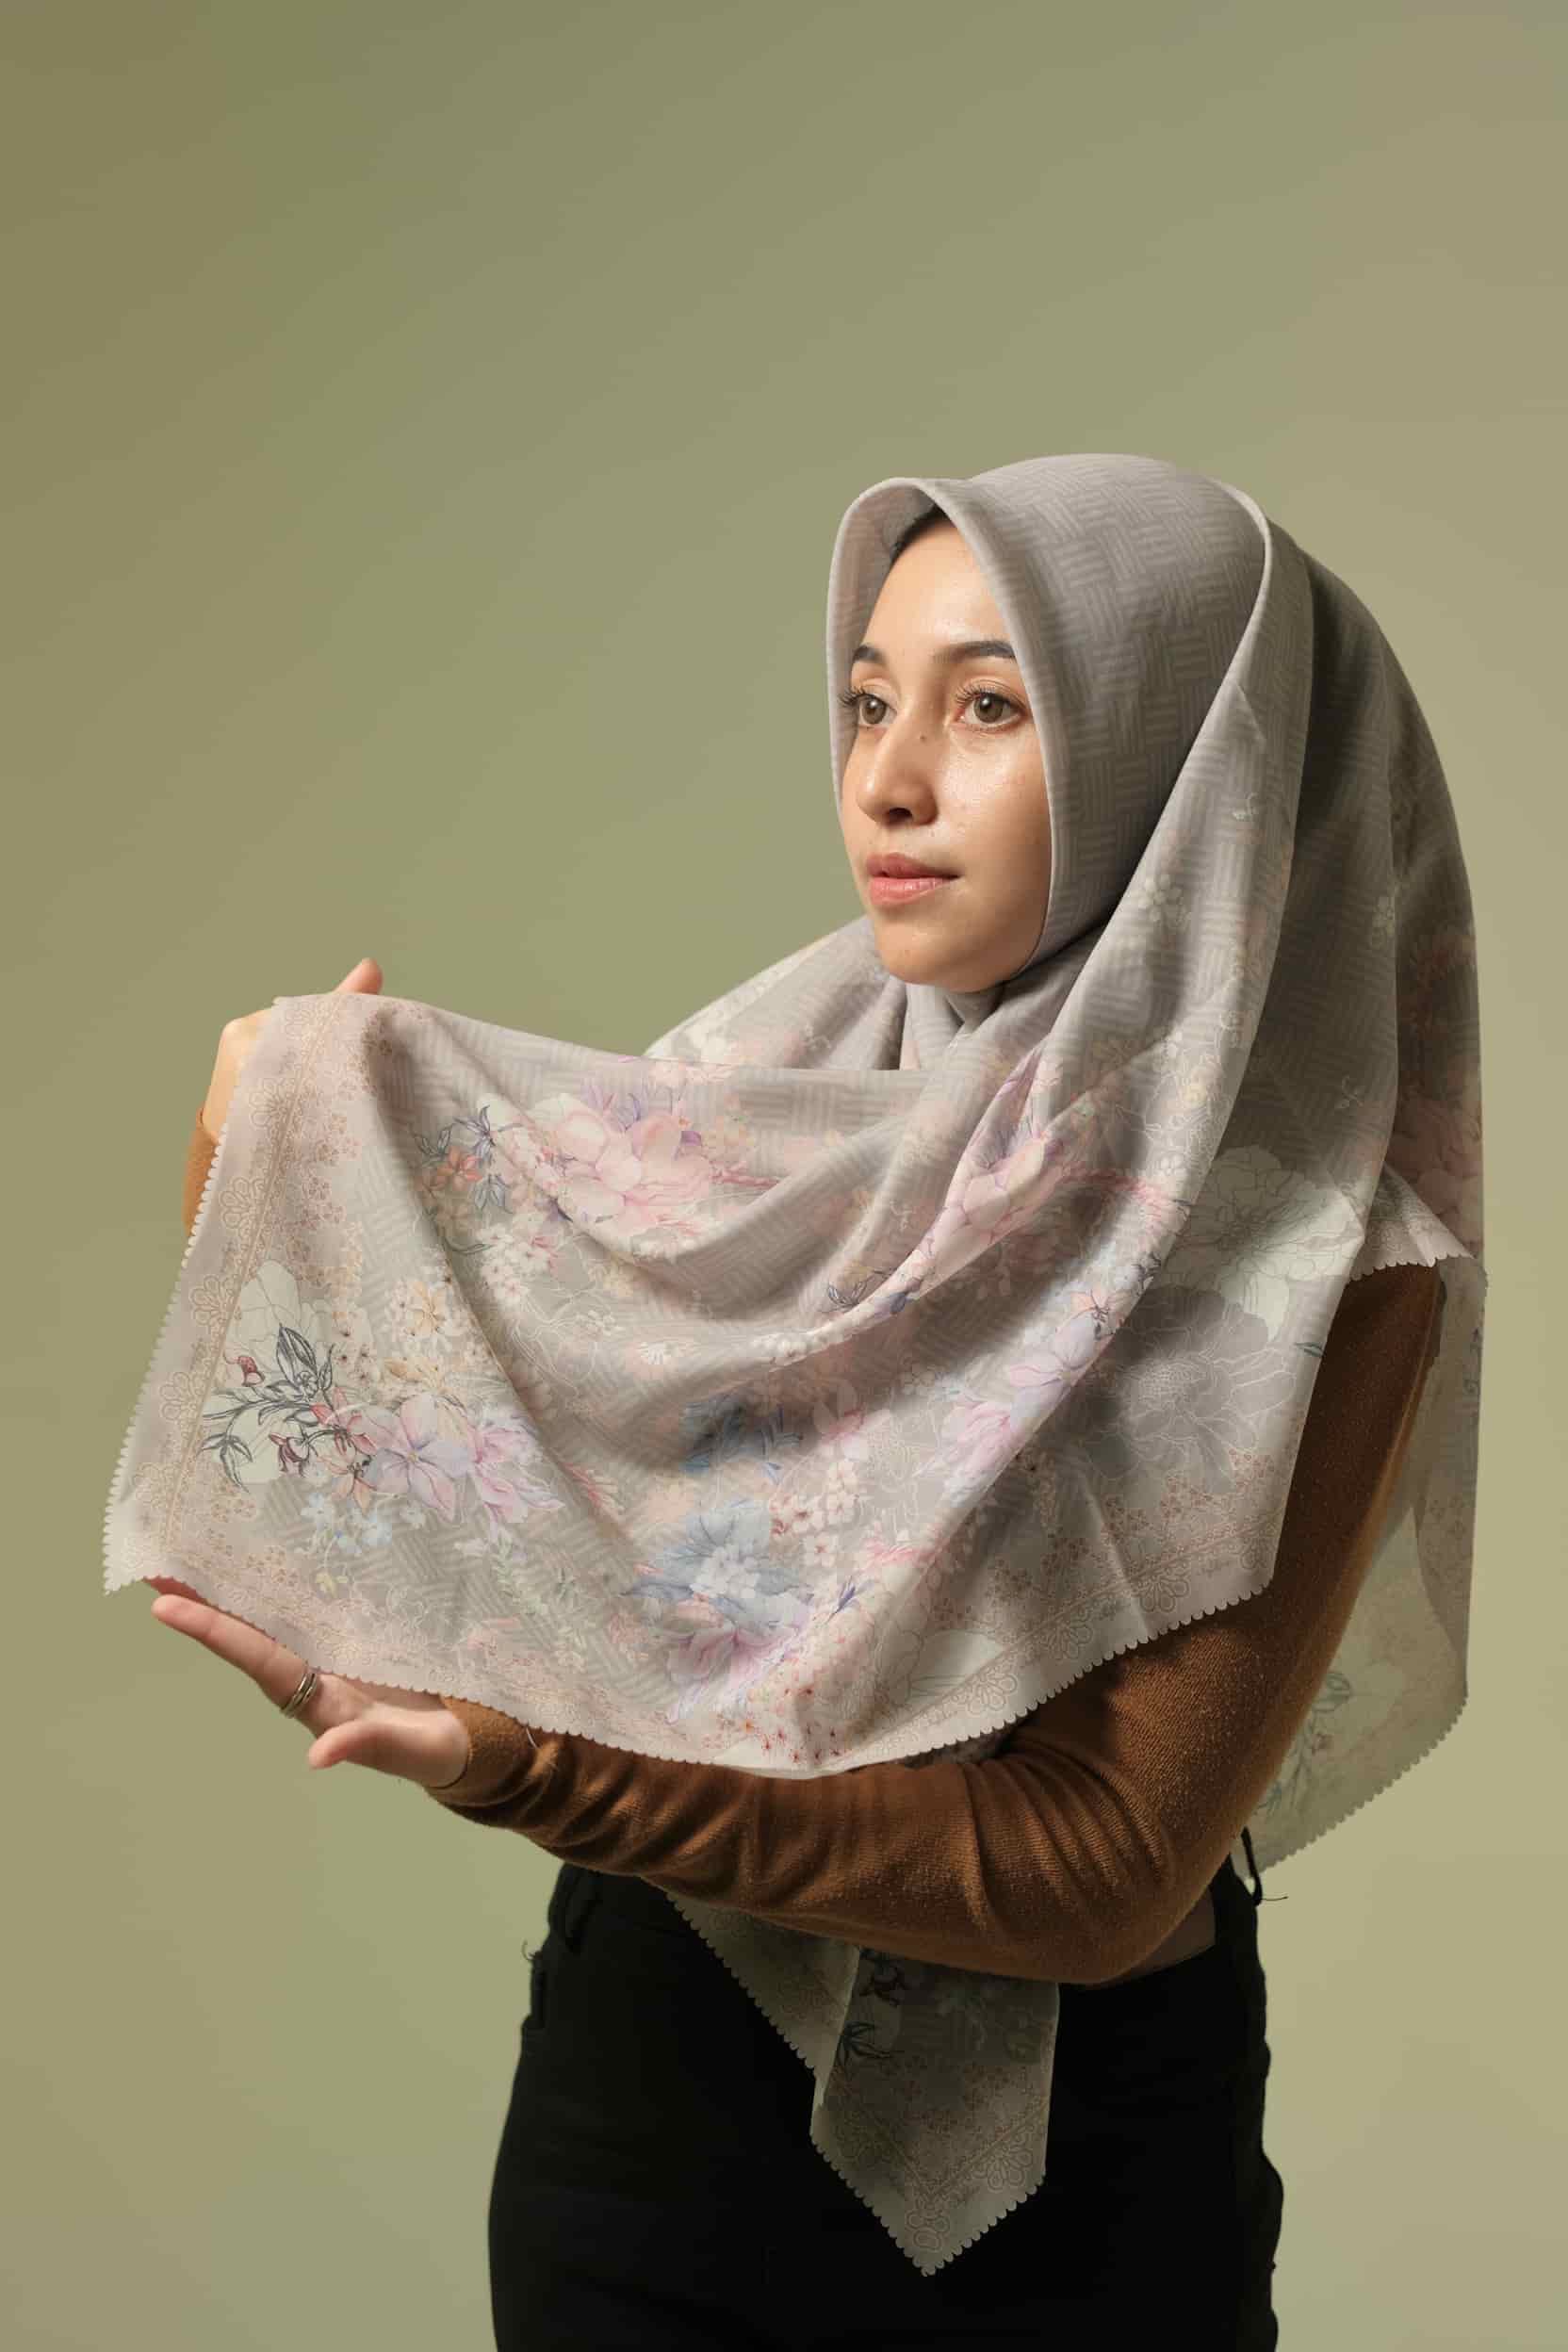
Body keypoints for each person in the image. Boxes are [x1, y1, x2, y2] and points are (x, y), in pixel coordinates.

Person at [151, 476, 1467, 2347]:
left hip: (1093, 2183)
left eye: (989, 706)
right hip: (659, 2107)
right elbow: (502, 1531)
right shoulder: (742, 1111)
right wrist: (266, 1166)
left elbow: (1100, 1865)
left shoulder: (1321, 1257)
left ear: (1192, 763)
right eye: (866, 702)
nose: (889, 782)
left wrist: (546, 1773)